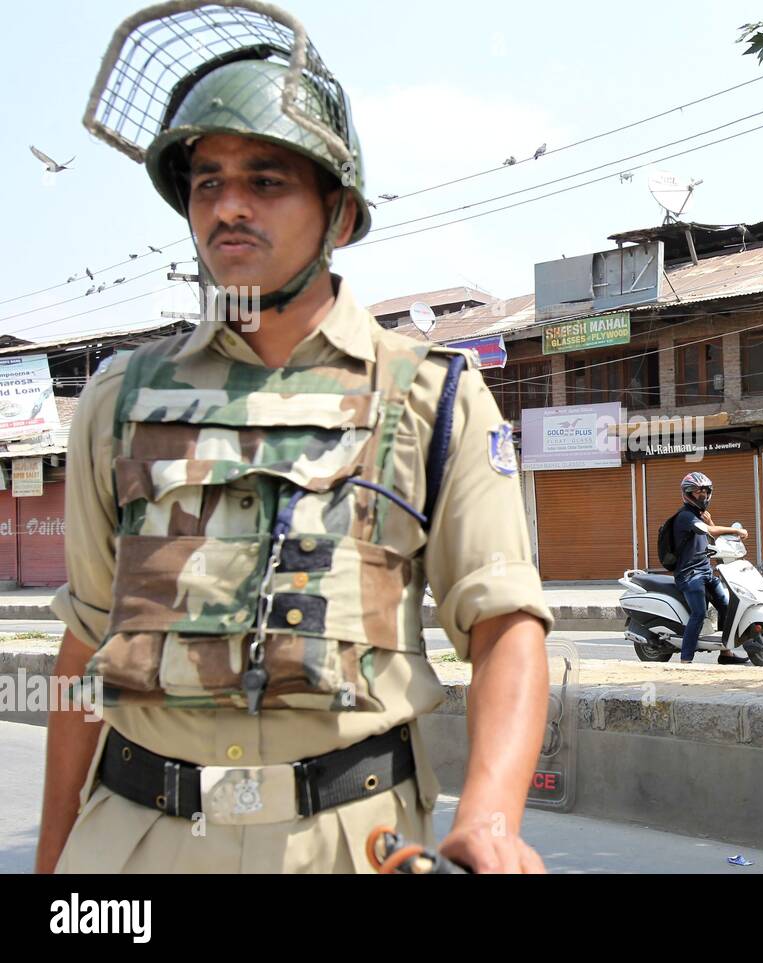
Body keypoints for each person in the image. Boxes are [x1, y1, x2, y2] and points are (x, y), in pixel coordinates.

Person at [36, 4, 552, 874]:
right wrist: (52, 868)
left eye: (266, 180)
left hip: (351, 840)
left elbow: (504, 621)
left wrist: (493, 815)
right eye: (207, 181)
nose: (229, 206)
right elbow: (85, 646)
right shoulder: (118, 398)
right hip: (136, 840)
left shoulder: (433, 397)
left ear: (340, 214)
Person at [672, 472, 749, 664]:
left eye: (705, 492)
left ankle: (726, 654)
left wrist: (711, 522)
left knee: (727, 607)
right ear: (688, 493)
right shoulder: (685, 516)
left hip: (705, 572)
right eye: (698, 492)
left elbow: (714, 536)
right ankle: (685, 660)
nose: (702, 496)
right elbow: (711, 531)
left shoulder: (700, 516)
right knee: (699, 613)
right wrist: (736, 530)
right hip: (689, 575)